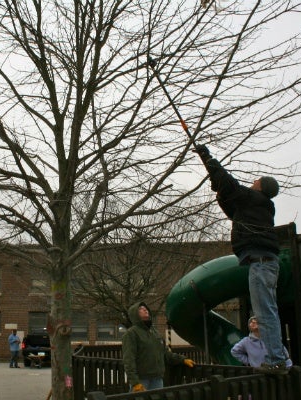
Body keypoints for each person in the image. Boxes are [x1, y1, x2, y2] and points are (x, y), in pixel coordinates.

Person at [194, 144, 288, 375]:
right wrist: (218, 186)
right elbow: (230, 202)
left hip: (261, 263)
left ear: (260, 187)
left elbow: (230, 184)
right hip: (266, 263)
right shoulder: (260, 206)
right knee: (268, 311)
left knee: (265, 314)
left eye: (256, 181)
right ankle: (276, 358)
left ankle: (276, 360)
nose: (253, 182)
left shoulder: (253, 199)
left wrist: (208, 158)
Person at [122, 302, 195, 392]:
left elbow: (165, 353)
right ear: (135, 314)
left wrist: (182, 359)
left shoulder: (154, 332)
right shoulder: (131, 333)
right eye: (140, 308)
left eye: (145, 308)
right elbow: (129, 359)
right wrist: (135, 382)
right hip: (142, 380)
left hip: (157, 378)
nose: (145, 309)